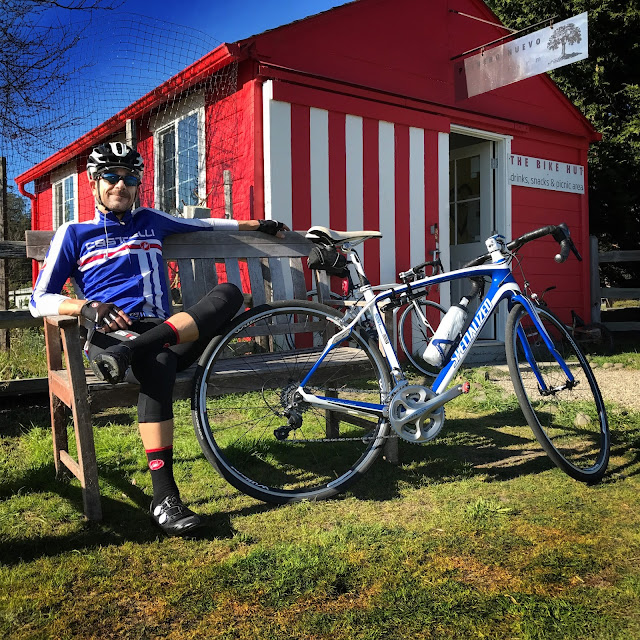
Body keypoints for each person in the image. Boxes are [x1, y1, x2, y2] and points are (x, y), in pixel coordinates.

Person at [30, 141, 289, 536]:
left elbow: (206, 225)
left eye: (129, 178)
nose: (121, 184)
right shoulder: (74, 233)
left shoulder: (150, 220)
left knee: (229, 294)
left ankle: (131, 351)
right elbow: (39, 299)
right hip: (109, 334)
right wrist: (85, 307)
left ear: (138, 184)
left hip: (158, 332)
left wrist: (257, 225)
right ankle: (164, 497)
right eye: (110, 176)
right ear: (93, 183)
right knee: (161, 362)